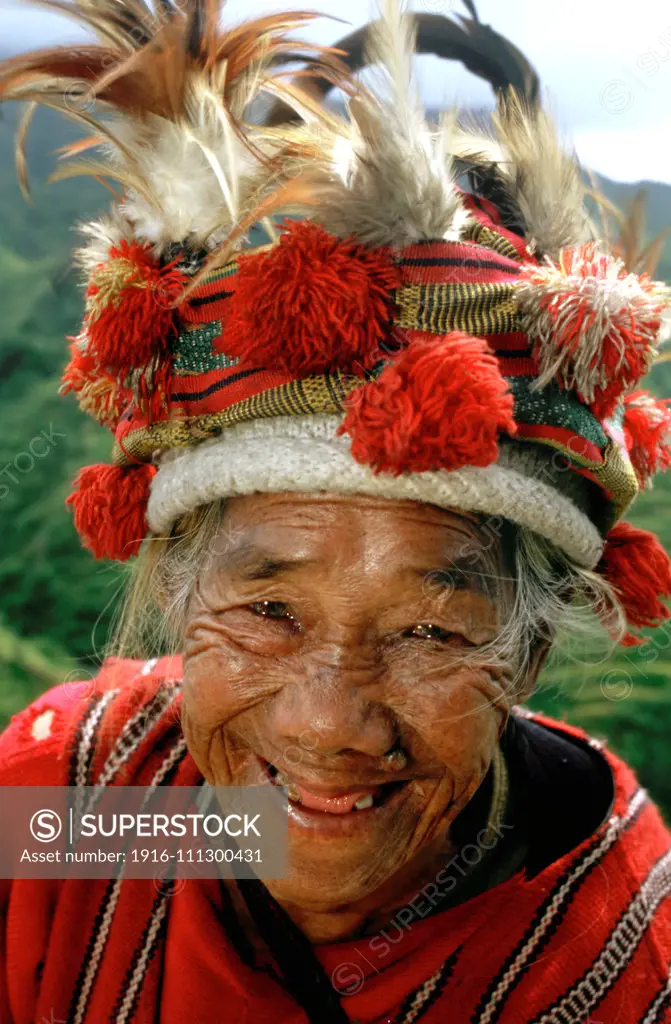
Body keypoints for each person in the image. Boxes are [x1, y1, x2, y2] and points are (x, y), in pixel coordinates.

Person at [1, 1, 671, 1021]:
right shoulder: (92, 808)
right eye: (269, 611)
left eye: (430, 631)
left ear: (527, 655)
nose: (327, 725)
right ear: (181, 600)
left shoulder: (615, 960)